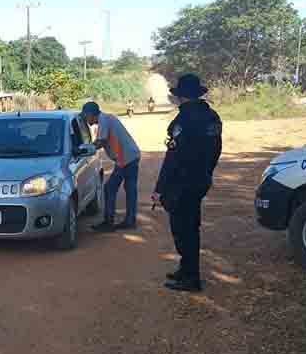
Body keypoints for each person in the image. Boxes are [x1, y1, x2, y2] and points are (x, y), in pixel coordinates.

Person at [152, 74, 222, 292]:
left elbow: (173, 157)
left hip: (182, 183)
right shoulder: (212, 117)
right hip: (200, 180)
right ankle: (186, 269)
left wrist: (160, 188)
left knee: (183, 230)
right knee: (191, 227)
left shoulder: (183, 120)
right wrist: (206, 173)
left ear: (181, 96)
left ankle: (191, 278)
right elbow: (216, 150)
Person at [82, 102, 141, 232]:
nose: (86, 119)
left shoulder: (104, 120)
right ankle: (130, 220)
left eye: (86, 116)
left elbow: (101, 141)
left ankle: (108, 222)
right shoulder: (108, 118)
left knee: (109, 188)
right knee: (130, 189)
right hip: (131, 155)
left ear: (91, 114)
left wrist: (83, 149)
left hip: (125, 159)